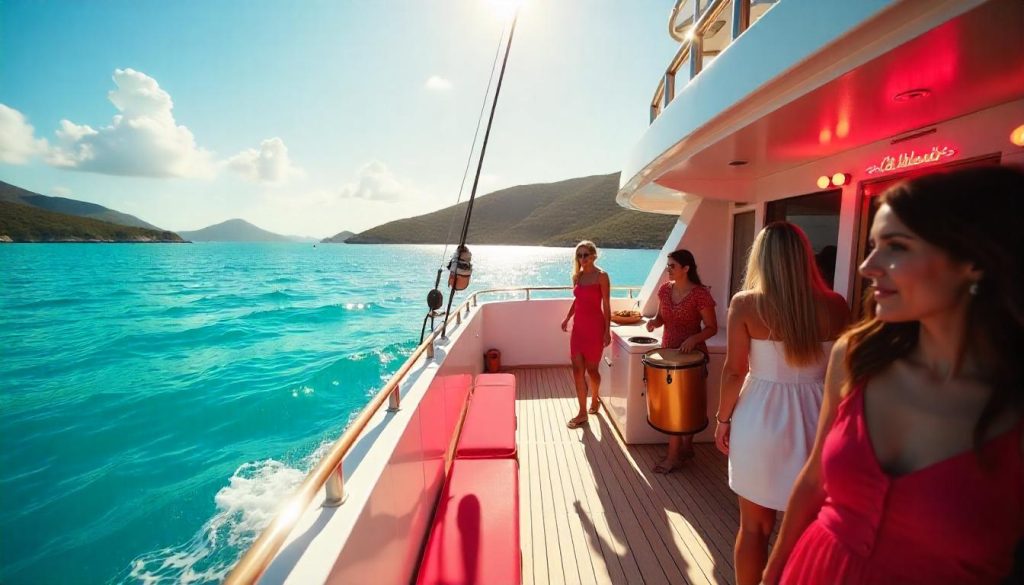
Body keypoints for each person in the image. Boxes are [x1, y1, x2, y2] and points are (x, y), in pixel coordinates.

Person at [762, 166, 1024, 585]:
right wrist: (771, 573)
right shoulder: (857, 357)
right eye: (872, 247)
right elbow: (814, 479)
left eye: (896, 247)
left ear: (973, 261)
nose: (868, 266)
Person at [714, 222, 850, 585]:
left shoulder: (746, 304)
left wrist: (722, 420)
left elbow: (733, 371)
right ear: (805, 258)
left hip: (760, 418)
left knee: (754, 528)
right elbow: (847, 372)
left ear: (762, 259)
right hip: (819, 419)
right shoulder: (836, 306)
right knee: (807, 531)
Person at [645, 249, 718, 473]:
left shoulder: (700, 294)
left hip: (692, 357)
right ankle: (684, 449)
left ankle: (675, 455)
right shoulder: (664, 290)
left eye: (672, 266)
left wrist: (694, 338)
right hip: (669, 355)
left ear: (686, 268)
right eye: (668, 265)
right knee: (675, 405)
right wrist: (653, 324)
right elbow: (660, 318)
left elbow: (712, 328)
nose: (668, 269)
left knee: (686, 404)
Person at [561, 241, 612, 429]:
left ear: (593, 256)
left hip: (594, 329)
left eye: (585, 255)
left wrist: (607, 330)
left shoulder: (602, 276)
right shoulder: (579, 276)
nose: (582, 259)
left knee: (592, 371)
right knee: (577, 372)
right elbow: (578, 301)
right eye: (579, 256)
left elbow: (606, 305)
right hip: (578, 329)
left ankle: (595, 397)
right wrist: (567, 318)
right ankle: (582, 413)